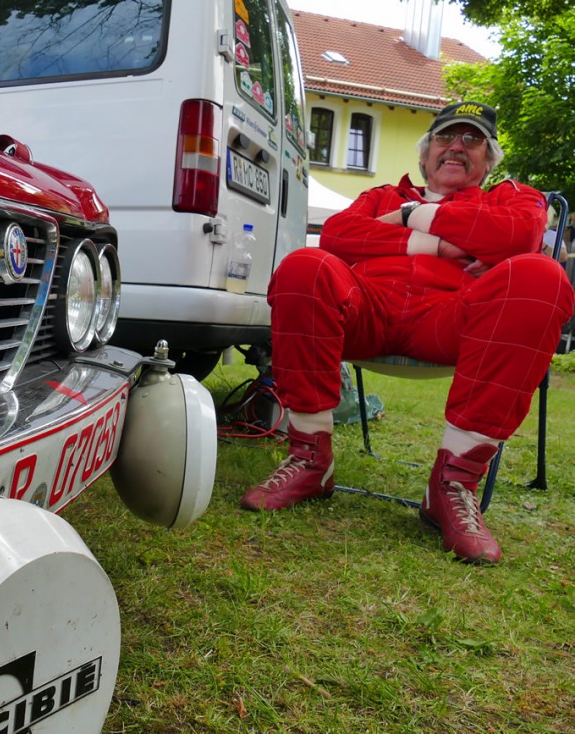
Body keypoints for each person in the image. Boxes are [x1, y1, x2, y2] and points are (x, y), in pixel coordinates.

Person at [240, 101, 574, 564]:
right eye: (445, 137)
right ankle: (311, 459)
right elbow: (337, 235)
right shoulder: (380, 195)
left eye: (472, 139)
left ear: (489, 160)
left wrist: (409, 216)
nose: (456, 146)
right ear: (425, 153)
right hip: (367, 309)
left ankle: (453, 484)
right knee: (305, 266)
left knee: (542, 276)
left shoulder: (507, 198)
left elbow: (520, 235)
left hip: (451, 319)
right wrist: (441, 243)